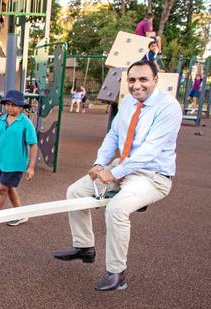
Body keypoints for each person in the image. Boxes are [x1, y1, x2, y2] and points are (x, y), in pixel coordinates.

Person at [52, 60, 182, 291]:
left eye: (143, 79)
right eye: (132, 80)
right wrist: (100, 163)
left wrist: (114, 173)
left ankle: (117, 272)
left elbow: (149, 151)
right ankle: (84, 248)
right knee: (75, 192)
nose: (137, 85)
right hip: (121, 166)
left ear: (155, 81)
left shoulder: (168, 107)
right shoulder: (129, 104)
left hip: (152, 175)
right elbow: (113, 135)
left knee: (116, 210)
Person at [0, 90, 38, 233]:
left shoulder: (25, 123)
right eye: (8, 104)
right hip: (2, 163)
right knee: (9, 188)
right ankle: (21, 215)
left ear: (21, 107)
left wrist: (31, 167)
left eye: (14, 105)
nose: (10, 107)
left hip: (16, 164)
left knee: (2, 189)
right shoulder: (1, 121)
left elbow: (33, 145)